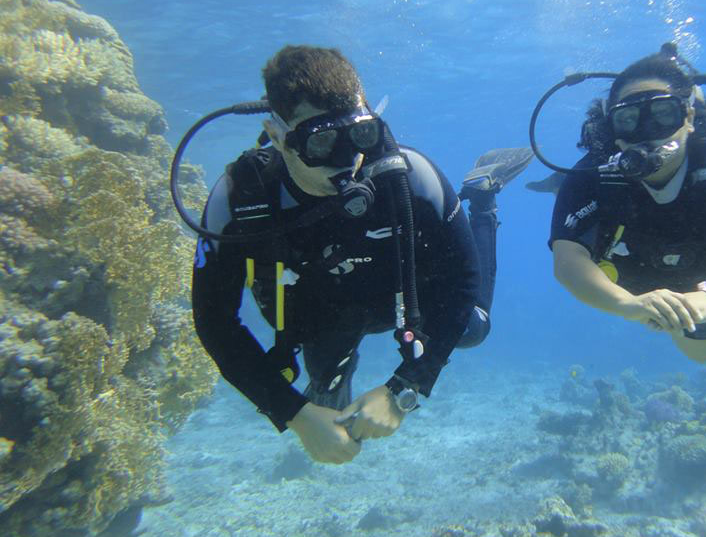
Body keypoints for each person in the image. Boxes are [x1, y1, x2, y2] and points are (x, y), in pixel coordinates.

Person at [192, 46, 532, 464]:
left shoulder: (412, 178)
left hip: (403, 293)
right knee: (325, 401)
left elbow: (463, 279)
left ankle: (482, 195)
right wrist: (294, 413)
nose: (349, 159)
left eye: (360, 135)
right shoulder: (240, 198)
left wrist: (406, 387)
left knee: (473, 328)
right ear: (278, 135)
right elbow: (215, 321)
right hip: (323, 309)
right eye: (320, 141)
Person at [545, 44, 706, 364]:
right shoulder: (591, 174)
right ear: (614, 129)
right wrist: (626, 305)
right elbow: (567, 262)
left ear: (690, 116)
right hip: (635, 273)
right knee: (576, 204)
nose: (645, 133)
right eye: (628, 120)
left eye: (663, 115)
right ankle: (566, 198)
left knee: (702, 351)